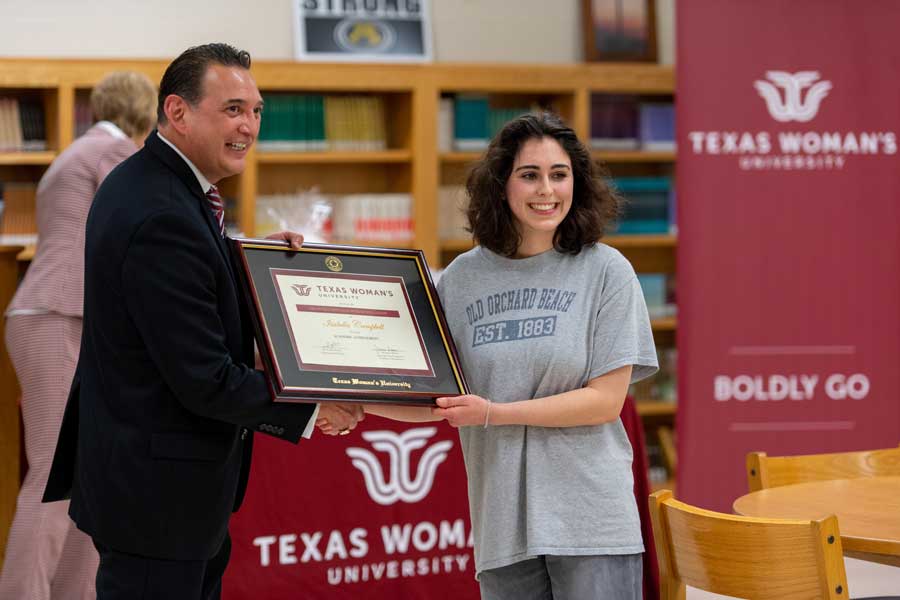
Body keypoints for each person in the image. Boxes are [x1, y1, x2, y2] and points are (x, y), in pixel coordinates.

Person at [41, 43, 362, 599]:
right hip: (157, 501)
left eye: (256, 110)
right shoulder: (163, 211)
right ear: (178, 111)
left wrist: (256, 263)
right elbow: (204, 377)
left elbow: (191, 284)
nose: (249, 125)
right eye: (233, 108)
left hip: (166, 495)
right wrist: (313, 406)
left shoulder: (163, 188)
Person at [348, 112, 658, 599]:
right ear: (501, 185)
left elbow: (604, 401)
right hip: (502, 526)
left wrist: (494, 413)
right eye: (529, 175)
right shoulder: (461, 280)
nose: (546, 190)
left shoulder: (606, 271)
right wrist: (354, 402)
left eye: (559, 175)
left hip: (590, 522)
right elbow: (437, 396)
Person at [0, 70, 157, 600]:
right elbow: (156, 217)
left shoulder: (82, 150)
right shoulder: (110, 153)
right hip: (57, 315)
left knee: (86, 473)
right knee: (52, 474)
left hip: (61, 317)